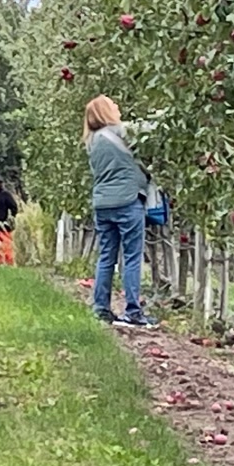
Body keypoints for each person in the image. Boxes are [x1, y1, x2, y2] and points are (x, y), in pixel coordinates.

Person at [84, 96, 156, 327]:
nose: (117, 107)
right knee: (132, 257)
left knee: (106, 256)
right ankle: (133, 311)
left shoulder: (91, 140)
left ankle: (101, 308)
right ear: (106, 111)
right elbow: (155, 127)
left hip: (102, 204)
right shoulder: (122, 131)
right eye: (113, 104)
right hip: (127, 200)